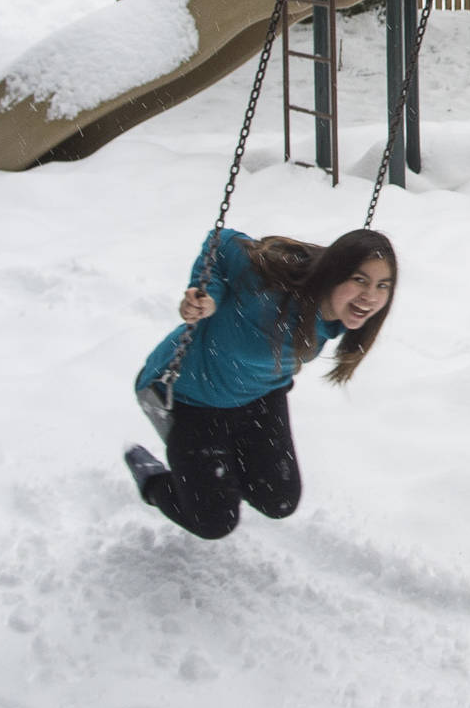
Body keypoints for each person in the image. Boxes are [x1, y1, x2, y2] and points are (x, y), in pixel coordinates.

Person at [124, 228, 397, 540]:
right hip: (193, 397)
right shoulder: (269, 288)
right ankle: (153, 481)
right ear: (333, 272)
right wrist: (208, 294)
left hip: (260, 395)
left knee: (278, 499)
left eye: (382, 285)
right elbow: (221, 241)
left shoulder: (343, 313)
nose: (370, 296)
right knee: (214, 521)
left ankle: (217, 477)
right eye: (360, 280)